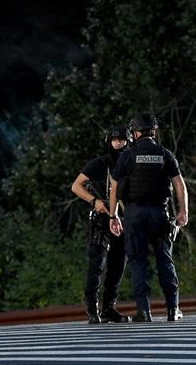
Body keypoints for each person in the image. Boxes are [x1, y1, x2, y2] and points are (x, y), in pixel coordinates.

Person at [109, 112, 188, 322]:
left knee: (138, 262)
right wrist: (183, 212)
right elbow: (180, 184)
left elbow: (114, 187)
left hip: (134, 215)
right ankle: (173, 309)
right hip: (160, 214)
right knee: (165, 259)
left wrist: (113, 215)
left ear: (135, 133)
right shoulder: (165, 154)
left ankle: (144, 311)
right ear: (153, 131)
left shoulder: (127, 156)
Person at [70, 125, 131, 324]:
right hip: (101, 218)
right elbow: (76, 186)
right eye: (115, 140)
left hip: (123, 218)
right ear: (109, 141)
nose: (118, 143)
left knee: (118, 264)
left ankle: (108, 308)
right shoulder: (100, 163)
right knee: (97, 263)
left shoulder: (131, 163)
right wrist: (93, 201)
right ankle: (92, 309)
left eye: (122, 140)